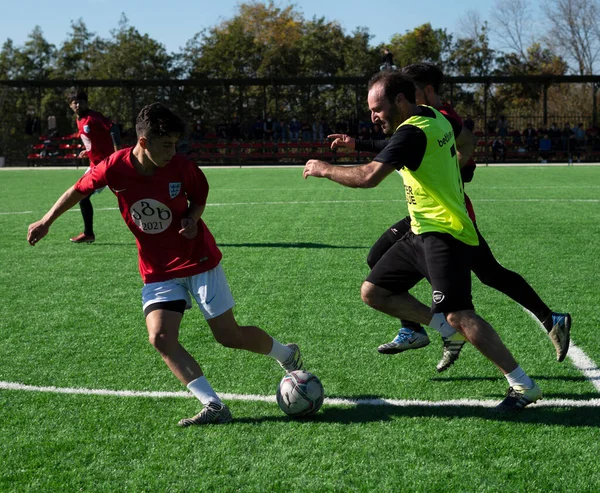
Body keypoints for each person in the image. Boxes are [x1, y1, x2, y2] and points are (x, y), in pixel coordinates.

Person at [27, 103, 304, 426]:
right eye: (166, 144)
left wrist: (191, 217)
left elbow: (199, 195)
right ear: (143, 143)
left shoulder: (182, 167)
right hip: (157, 269)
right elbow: (78, 189)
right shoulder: (114, 168)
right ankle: (214, 405)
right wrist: (47, 221)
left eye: (175, 144)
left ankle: (286, 354)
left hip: (198, 259)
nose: (173, 151)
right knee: (160, 337)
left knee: (228, 336)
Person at [304, 70, 543, 411]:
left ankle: (523, 386)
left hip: (444, 234)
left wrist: (325, 169)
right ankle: (441, 331)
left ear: (400, 100)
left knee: (459, 314)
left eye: (377, 108)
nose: (373, 116)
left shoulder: (412, 133)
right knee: (374, 292)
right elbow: (400, 145)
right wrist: (361, 144)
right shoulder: (432, 117)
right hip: (421, 229)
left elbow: (369, 176)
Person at [66, 88, 120, 243]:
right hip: (95, 166)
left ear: (86, 103)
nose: (77, 105)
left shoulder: (93, 117)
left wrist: (117, 152)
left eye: (80, 102)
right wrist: (88, 150)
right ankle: (88, 234)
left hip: (108, 166)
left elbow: (113, 128)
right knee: (82, 197)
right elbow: (95, 138)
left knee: (128, 198)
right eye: (74, 102)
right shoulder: (79, 119)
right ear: (70, 105)